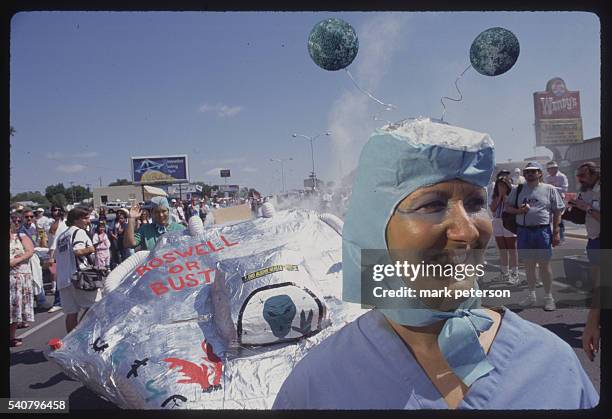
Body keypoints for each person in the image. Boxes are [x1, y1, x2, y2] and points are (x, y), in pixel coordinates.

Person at [273, 118, 597, 409]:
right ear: (375, 230)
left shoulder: (552, 365)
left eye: (474, 203)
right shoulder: (317, 388)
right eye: (431, 205)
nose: (467, 231)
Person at [504, 162, 564, 311]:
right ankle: (531, 295)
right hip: (523, 231)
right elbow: (508, 207)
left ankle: (549, 297)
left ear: (539, 173)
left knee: (544, 264)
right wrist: (519, 211)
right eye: (527, 172)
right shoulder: (518, 190)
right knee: (529, 265)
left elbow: (557, 211)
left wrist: (556, 231)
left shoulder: (549, 189)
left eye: (533, 171)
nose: (530, 174)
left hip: (542, 231)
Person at [571, 162, 601, 362]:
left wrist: (587, 208)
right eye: (578, 175)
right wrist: (575, 209)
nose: (580, 179)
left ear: (593, 173)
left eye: (583, 175)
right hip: (593, 240)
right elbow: (581, 218)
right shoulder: (586, 191)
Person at [55, 207, 101, 333]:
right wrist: (91, 248)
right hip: (79, 278)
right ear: (76, 220)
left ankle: (71, 343)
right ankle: (88, 338)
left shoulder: (61, 236)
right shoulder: (78, 232)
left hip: (64, 280)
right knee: (95, 307)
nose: (88, 221)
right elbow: (78, 251)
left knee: (71, 313)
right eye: (85, 218)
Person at [488, 177, 519, 284]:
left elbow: (510, 207)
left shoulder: (512, 195)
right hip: (497, 221)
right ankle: (504, 273)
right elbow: (492, 208)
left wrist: (504, 196)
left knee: (511, 248)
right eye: (499, 185)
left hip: (508, 221)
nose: (501, 187)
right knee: (502, 249)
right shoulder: (495, 196)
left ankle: (515, 273)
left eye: (503, 185)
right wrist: (499, 196)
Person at [10, 219, 36, 346]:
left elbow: (30, 251)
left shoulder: (21, 237)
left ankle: (11, 337)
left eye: (18, 221)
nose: (16, 223)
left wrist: (17, 260)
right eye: (13, 221)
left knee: (15, 308)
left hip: (20, 277)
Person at [47, 206, 68, 313]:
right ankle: (61, 301)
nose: (54, 212)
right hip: (55, 255)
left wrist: (50, 257)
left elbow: (55, 242)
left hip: (60, 255)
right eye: (53, 210)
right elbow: (50, 241)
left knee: (60, 279)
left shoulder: (63, 224)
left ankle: (58, 302)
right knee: (61, 279)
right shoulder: (53, 223)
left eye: (57, 210)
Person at [544, 161, 569, 242]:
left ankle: (561, 236)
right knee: (550, 218)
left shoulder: (562, 176)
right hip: (550, 200)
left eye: (551, 169)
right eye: (548, 169)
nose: (549, 171)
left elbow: (564, 189)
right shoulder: (547, 178)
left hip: (560, 199)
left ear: (555, 168)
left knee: (559, 218)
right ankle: (553, 235)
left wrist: (553, 188)